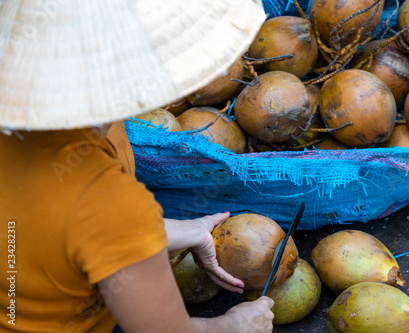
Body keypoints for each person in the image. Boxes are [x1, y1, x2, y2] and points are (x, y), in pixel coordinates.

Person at [0, 0, 273, 332]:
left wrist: (184, 231)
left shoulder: (97, 146)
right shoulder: (108, 198)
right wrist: (237, 325)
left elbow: (60, 233)